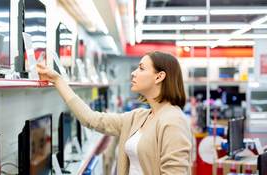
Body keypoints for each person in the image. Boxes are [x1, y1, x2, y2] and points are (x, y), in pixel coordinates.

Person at [36, 51, 192, 175]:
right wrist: (58, 81)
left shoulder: (173, 121)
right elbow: (92, 119)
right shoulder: (138, 117)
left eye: (141, 68)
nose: (133, 73)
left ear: (159, 76)